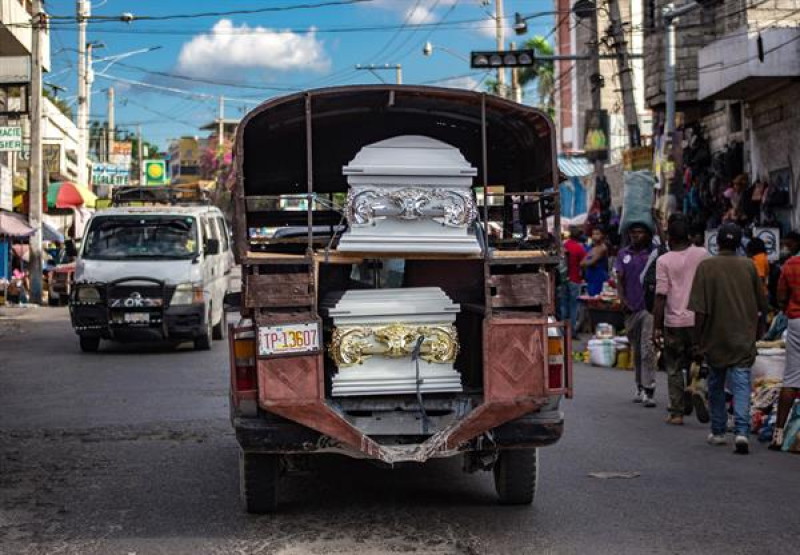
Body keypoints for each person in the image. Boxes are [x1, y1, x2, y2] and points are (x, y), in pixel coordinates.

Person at [689, 222, 767, 454]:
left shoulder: (706, 267)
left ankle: (719, 431)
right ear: (738, 243)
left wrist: (697, 341)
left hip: (715, 338)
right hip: (743, 337)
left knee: (716, 384)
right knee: (742, 384)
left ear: (719, 242)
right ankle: (742, 432)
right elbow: (762, 304)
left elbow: (699, 310)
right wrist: (759, 331)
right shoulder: (750, 266)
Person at [652, 217, 708, 425]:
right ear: (690, 237)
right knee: (699, 358)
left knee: (674, 366)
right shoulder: (702, 254)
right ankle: (695, 387)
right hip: (699, 320)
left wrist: (656, 328)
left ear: (670, 238)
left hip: (674, 322)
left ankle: (676, 413)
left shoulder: (664, 261)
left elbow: (660, 296)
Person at [615, 222, 657, 407]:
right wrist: (622, 300)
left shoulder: (653, 254)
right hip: (630, 308)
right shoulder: (623, 254)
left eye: (640, 232)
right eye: (633, 233)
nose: (636, 236)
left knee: (647, 348)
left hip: (648, 309)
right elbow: (619, 279)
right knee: (637, 349)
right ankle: (639, 385)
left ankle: (649, 389)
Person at [773, 242, 800, 449]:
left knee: (791, 378)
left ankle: (778, 434)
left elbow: (781, 297)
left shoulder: (791, 264)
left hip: (796, 322)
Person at [561, 226, 586, 339]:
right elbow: (584, 264)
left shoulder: (564, 245)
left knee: (563, 305)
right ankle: (572, 332)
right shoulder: (579, 248)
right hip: (575, 279)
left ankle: (562, 331)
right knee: (574, 306)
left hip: (563, 279)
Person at [581, 227, 609, 296]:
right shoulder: (591, 247)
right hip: (591, 277)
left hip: (599, 277)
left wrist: (586, 262)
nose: (594, 236)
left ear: (602, 235)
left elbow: (590, 262)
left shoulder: (603, 248)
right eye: (593, 234)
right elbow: (582, 262)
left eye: (597, 234)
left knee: (598, 300)